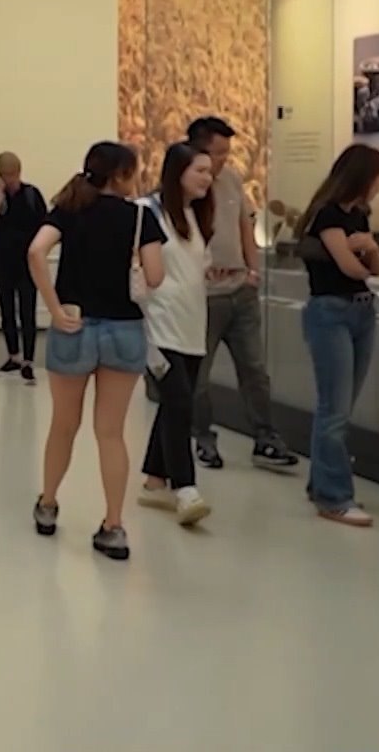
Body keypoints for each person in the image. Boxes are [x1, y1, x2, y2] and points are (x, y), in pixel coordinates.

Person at [28, 142, 166, 560]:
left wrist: (54, 307)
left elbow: (35, 251)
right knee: (111, 433)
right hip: (124, 331)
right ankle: (113, 526)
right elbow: (155, 276)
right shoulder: (140, 216)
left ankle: (48, 504)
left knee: (63, 425)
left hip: (74, 325)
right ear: (120, 174)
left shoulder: (69, 208)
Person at [186, 116, 298, 471]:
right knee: (198, 376)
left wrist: (253, 271)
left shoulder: (232, 180)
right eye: (217, 153)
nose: (223, 160)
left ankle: (266, 438)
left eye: (226, 153)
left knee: (254, 371)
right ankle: (203, 439)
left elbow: (245, 227)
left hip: (240, 291)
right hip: (204, 296)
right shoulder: (184, 187)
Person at [297, 144, 379, 528]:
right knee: (334, 409)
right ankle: (334, 496)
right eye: (378, 179)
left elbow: (376, 266)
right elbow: (351, 267)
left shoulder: (359, 215)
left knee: (340, 407)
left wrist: (369, 248)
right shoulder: (328, 214)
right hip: (331, 312)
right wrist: (360, 253)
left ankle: (322, 481)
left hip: (361, 311)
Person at [136, 144, 216, 527]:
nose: (208, 178)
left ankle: (155, 480)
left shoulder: (195, 216)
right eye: (200, 170)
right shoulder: (147, 211)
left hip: (191, 325)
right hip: (158, 326)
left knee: (175, 403)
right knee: (181, 402)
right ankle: (185, 488)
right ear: (177, 171)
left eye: (210, 171)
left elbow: (195, 266)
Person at [0, 152, 47, 383]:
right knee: (6, 310)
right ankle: (13, 356)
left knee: (27, 311)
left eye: (12, 174)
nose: (9, 179)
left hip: (26, 262)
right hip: (1, 261)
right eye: (5, 175)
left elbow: (44, 224)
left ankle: (28, 361)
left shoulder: (32, 194)